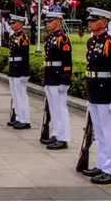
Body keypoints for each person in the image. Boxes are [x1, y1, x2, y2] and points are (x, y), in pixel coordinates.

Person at [81, 7, 111, 185]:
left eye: (94, 20)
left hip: (107, 94)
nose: (90, 23)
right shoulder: (92, 42)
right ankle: (102, 165)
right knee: (99, 133)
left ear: (104, 22)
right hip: (95, 93)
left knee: (110, 134)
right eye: (90, 20)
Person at [41, 11, 72, 150]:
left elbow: (67, 61)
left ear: (59, 21)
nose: (47, 23)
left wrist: (65, 80)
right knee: (53, 109)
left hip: (58, 77)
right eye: (47, 21)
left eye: (50, 21)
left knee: (60, 108)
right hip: (50, 76)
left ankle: (63, 137)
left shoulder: (63, 39)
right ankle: (56, 133)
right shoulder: (51, 37)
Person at [7, 14, 30, 129]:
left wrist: (24, 72)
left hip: (20, 69)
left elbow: (25, 57)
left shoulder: (24, 38)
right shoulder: (13, 37)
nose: (12, 25)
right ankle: (18, 117)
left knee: (21, 95)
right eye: (11, 23)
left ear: (20, 23)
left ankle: (25, 119)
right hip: (13, 69)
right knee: (15, 95)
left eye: (14, 23)